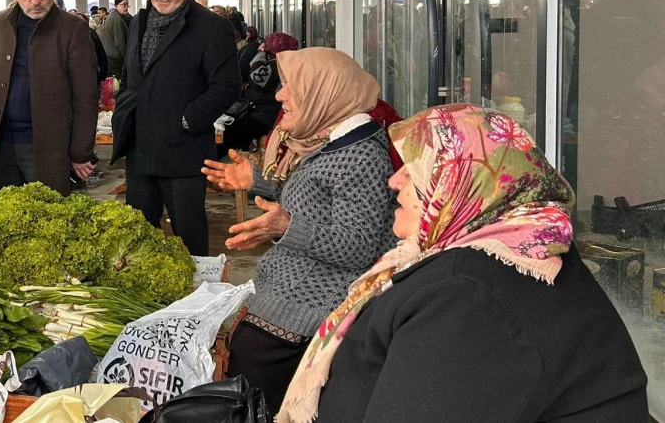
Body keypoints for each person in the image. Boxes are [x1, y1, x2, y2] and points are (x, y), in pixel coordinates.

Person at [277, 104, 648, 423]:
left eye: (413, 170)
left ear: (460, 185)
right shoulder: (508, 255)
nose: (393, 181)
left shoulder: (470, 298)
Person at [201, 47, 396, 412]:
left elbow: (358, 247)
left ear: (324, 93)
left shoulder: (362, 157)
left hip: (305, 316)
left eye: (291, 86)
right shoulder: (331, 143)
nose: (278, 95)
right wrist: (256, 181)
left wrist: (287, 226)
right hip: (287, 299)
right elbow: (317, 206)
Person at [112, 0, 239, 256]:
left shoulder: (212, 27)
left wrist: (186, 119)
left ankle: (195, 299)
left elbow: (227, 86)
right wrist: (125, 106)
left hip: (184, 152)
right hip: (140, 148)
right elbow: (130, 73)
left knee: (188, 233)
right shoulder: (139, 21)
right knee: (139, 236)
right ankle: (146, 297)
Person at [0, 0, 99, 199]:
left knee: (47, 217)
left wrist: (80, 151)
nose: (36, 0)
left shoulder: (73, 28)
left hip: (47, 146)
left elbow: (86, 95)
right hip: (1, 143)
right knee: (6, 216)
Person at [221, 31, 295, 153]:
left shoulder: (278, 64)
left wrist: (260, 54)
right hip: (265, 111)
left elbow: (256, 77)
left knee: (230, 134)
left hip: (266, 115)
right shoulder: (283, 63)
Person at [97, 0, 129, 80]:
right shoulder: (117, 19)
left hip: (110, 56)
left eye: (127, 5)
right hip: (115, 58)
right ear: (116, 6)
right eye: (123, 5)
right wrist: (127, 59)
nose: (126, 7)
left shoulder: (113, 16)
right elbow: (120, 42)